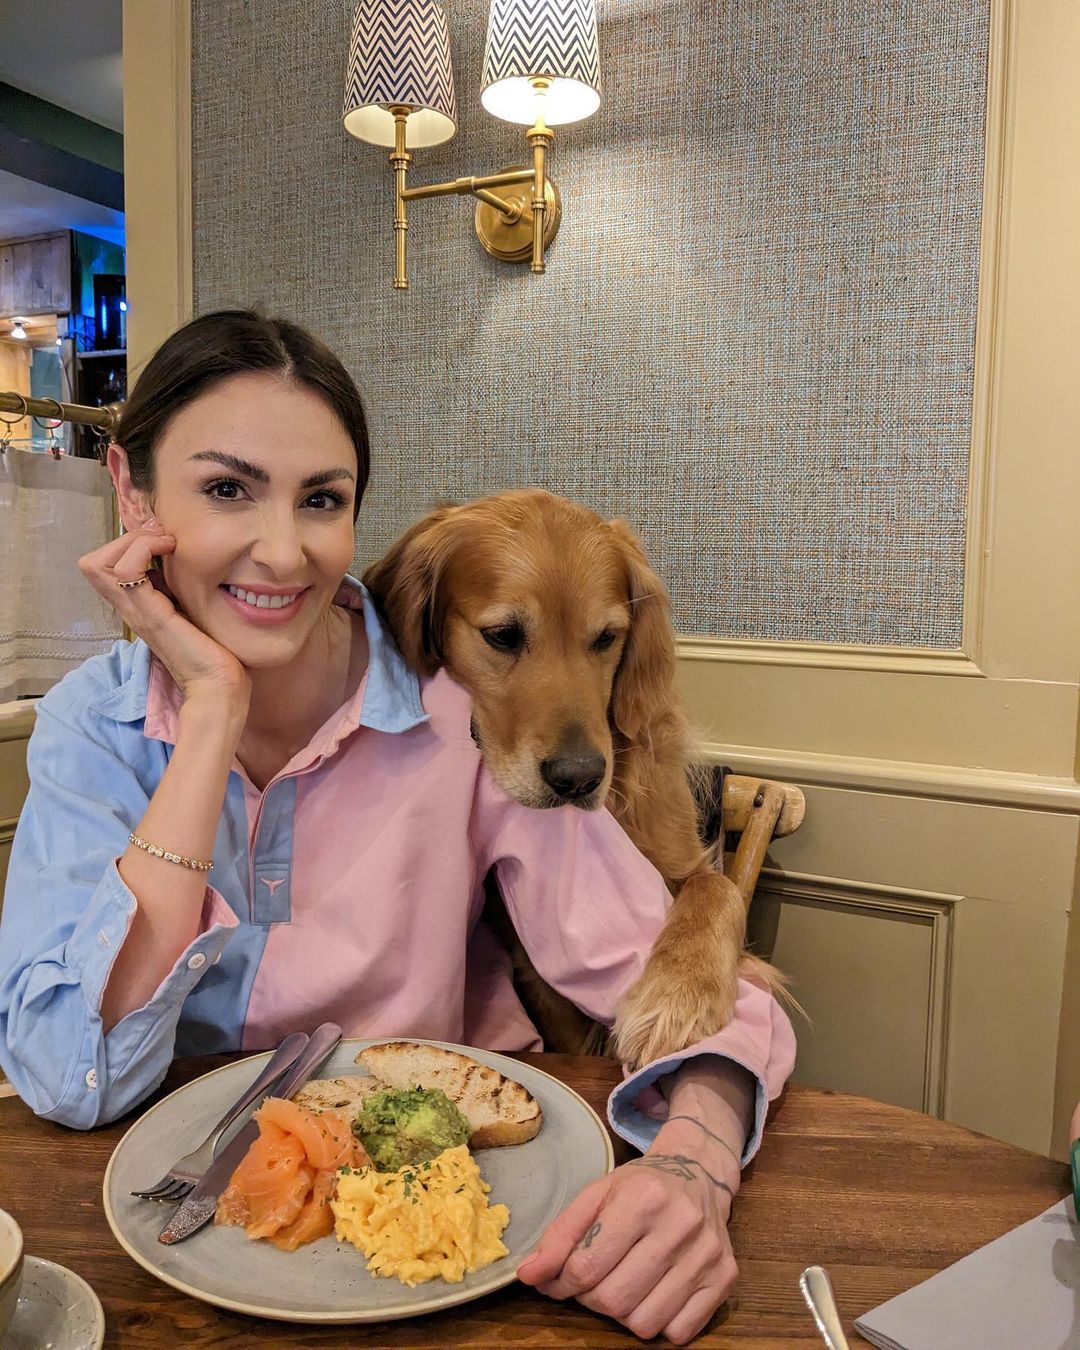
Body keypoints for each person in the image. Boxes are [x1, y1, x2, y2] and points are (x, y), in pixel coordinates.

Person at [0, 310, 795, 1344]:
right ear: (132, 491)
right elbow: (68, 1076)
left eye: (321, 500)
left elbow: (707, 1004)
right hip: (176, 1252)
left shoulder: (463, 712)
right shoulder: (88, 730)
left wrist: (693, 1168)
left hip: (458, 1243)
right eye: (227, 488)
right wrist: (209, 719)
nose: (282, 553)